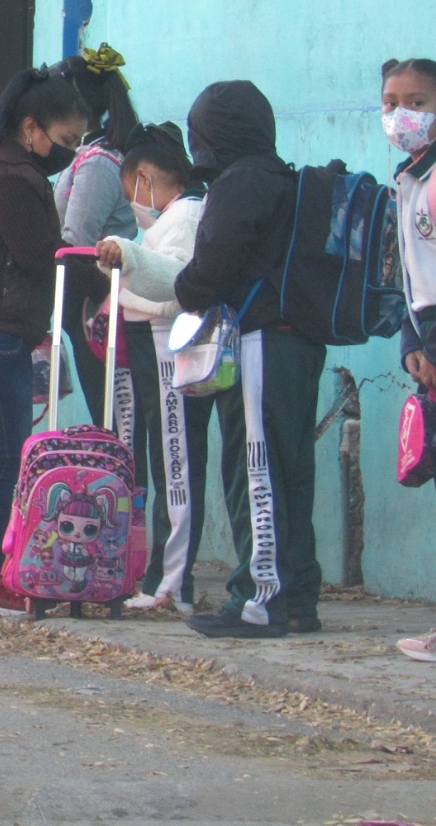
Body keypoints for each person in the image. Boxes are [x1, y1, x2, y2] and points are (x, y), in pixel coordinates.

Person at [174, 81, 324, 641]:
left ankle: (258, 601)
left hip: (261, 343)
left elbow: (211, 266)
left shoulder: (241, 182)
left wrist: (186, 288)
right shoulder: (282, 177)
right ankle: (298, 597)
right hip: (298, 341)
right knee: (290, 472)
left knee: (255, 470)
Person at [0, 66, 90, 617]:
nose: (68, 152)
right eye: (66, 140)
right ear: (31, 127)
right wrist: (109, 277)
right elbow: (44, 257)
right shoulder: (11, 178)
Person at [95, 124, 210, 612]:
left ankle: (172, 585)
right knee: (166, 462)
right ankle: (161, 577)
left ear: (145, 179)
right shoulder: (168, 219)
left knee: (176, 463)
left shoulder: (185, 216)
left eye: (131, 193)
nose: (134, 204)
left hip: (169, 346)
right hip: (149, 344)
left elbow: (177, 280)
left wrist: (130, 256)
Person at [379, 57, 436, 662]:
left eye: (418, 101)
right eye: (392, 101)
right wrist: (413, 342)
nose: (403, 114)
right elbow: (414, 278)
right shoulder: (408, 178)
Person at [53, 46, 142, 424]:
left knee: (115, 416)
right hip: (91, 306)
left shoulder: (98, 163)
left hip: (98, 310)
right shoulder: (88, 156)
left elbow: (76, 243)